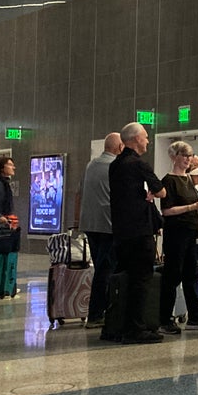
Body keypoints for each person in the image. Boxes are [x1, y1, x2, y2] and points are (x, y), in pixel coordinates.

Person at [108, 122, 166, 344]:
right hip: (140, 230)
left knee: (123, 277)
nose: (148, 141)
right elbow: (161, 191)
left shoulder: (116, 165)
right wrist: (150, 194)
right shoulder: (139, 164)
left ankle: (118, 323)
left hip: (121, 230)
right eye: (145, 137)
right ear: (134, 140)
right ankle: (136, 327)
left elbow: (126, 193)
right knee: (141, 279)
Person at [157, 141, 198, 333]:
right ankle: (165, 318)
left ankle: (195, 316)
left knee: (191, 275)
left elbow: (194, 201)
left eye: (189, 156)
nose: (188, 159)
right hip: (176, 233)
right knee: (172, 276)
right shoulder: (168, 181)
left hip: (190, 232)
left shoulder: (188, 180)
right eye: (184, 156)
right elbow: (166, 211)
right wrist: (193, 207)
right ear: (174, 157)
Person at [76, 132, 123, 328]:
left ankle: (98, 311)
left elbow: (80, 192)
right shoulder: (115, 167)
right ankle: (96, 314)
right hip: (107, 225)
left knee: (101, 268)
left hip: (90, 225)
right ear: (120, 148)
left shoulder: (91, 165)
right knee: (106, 270)